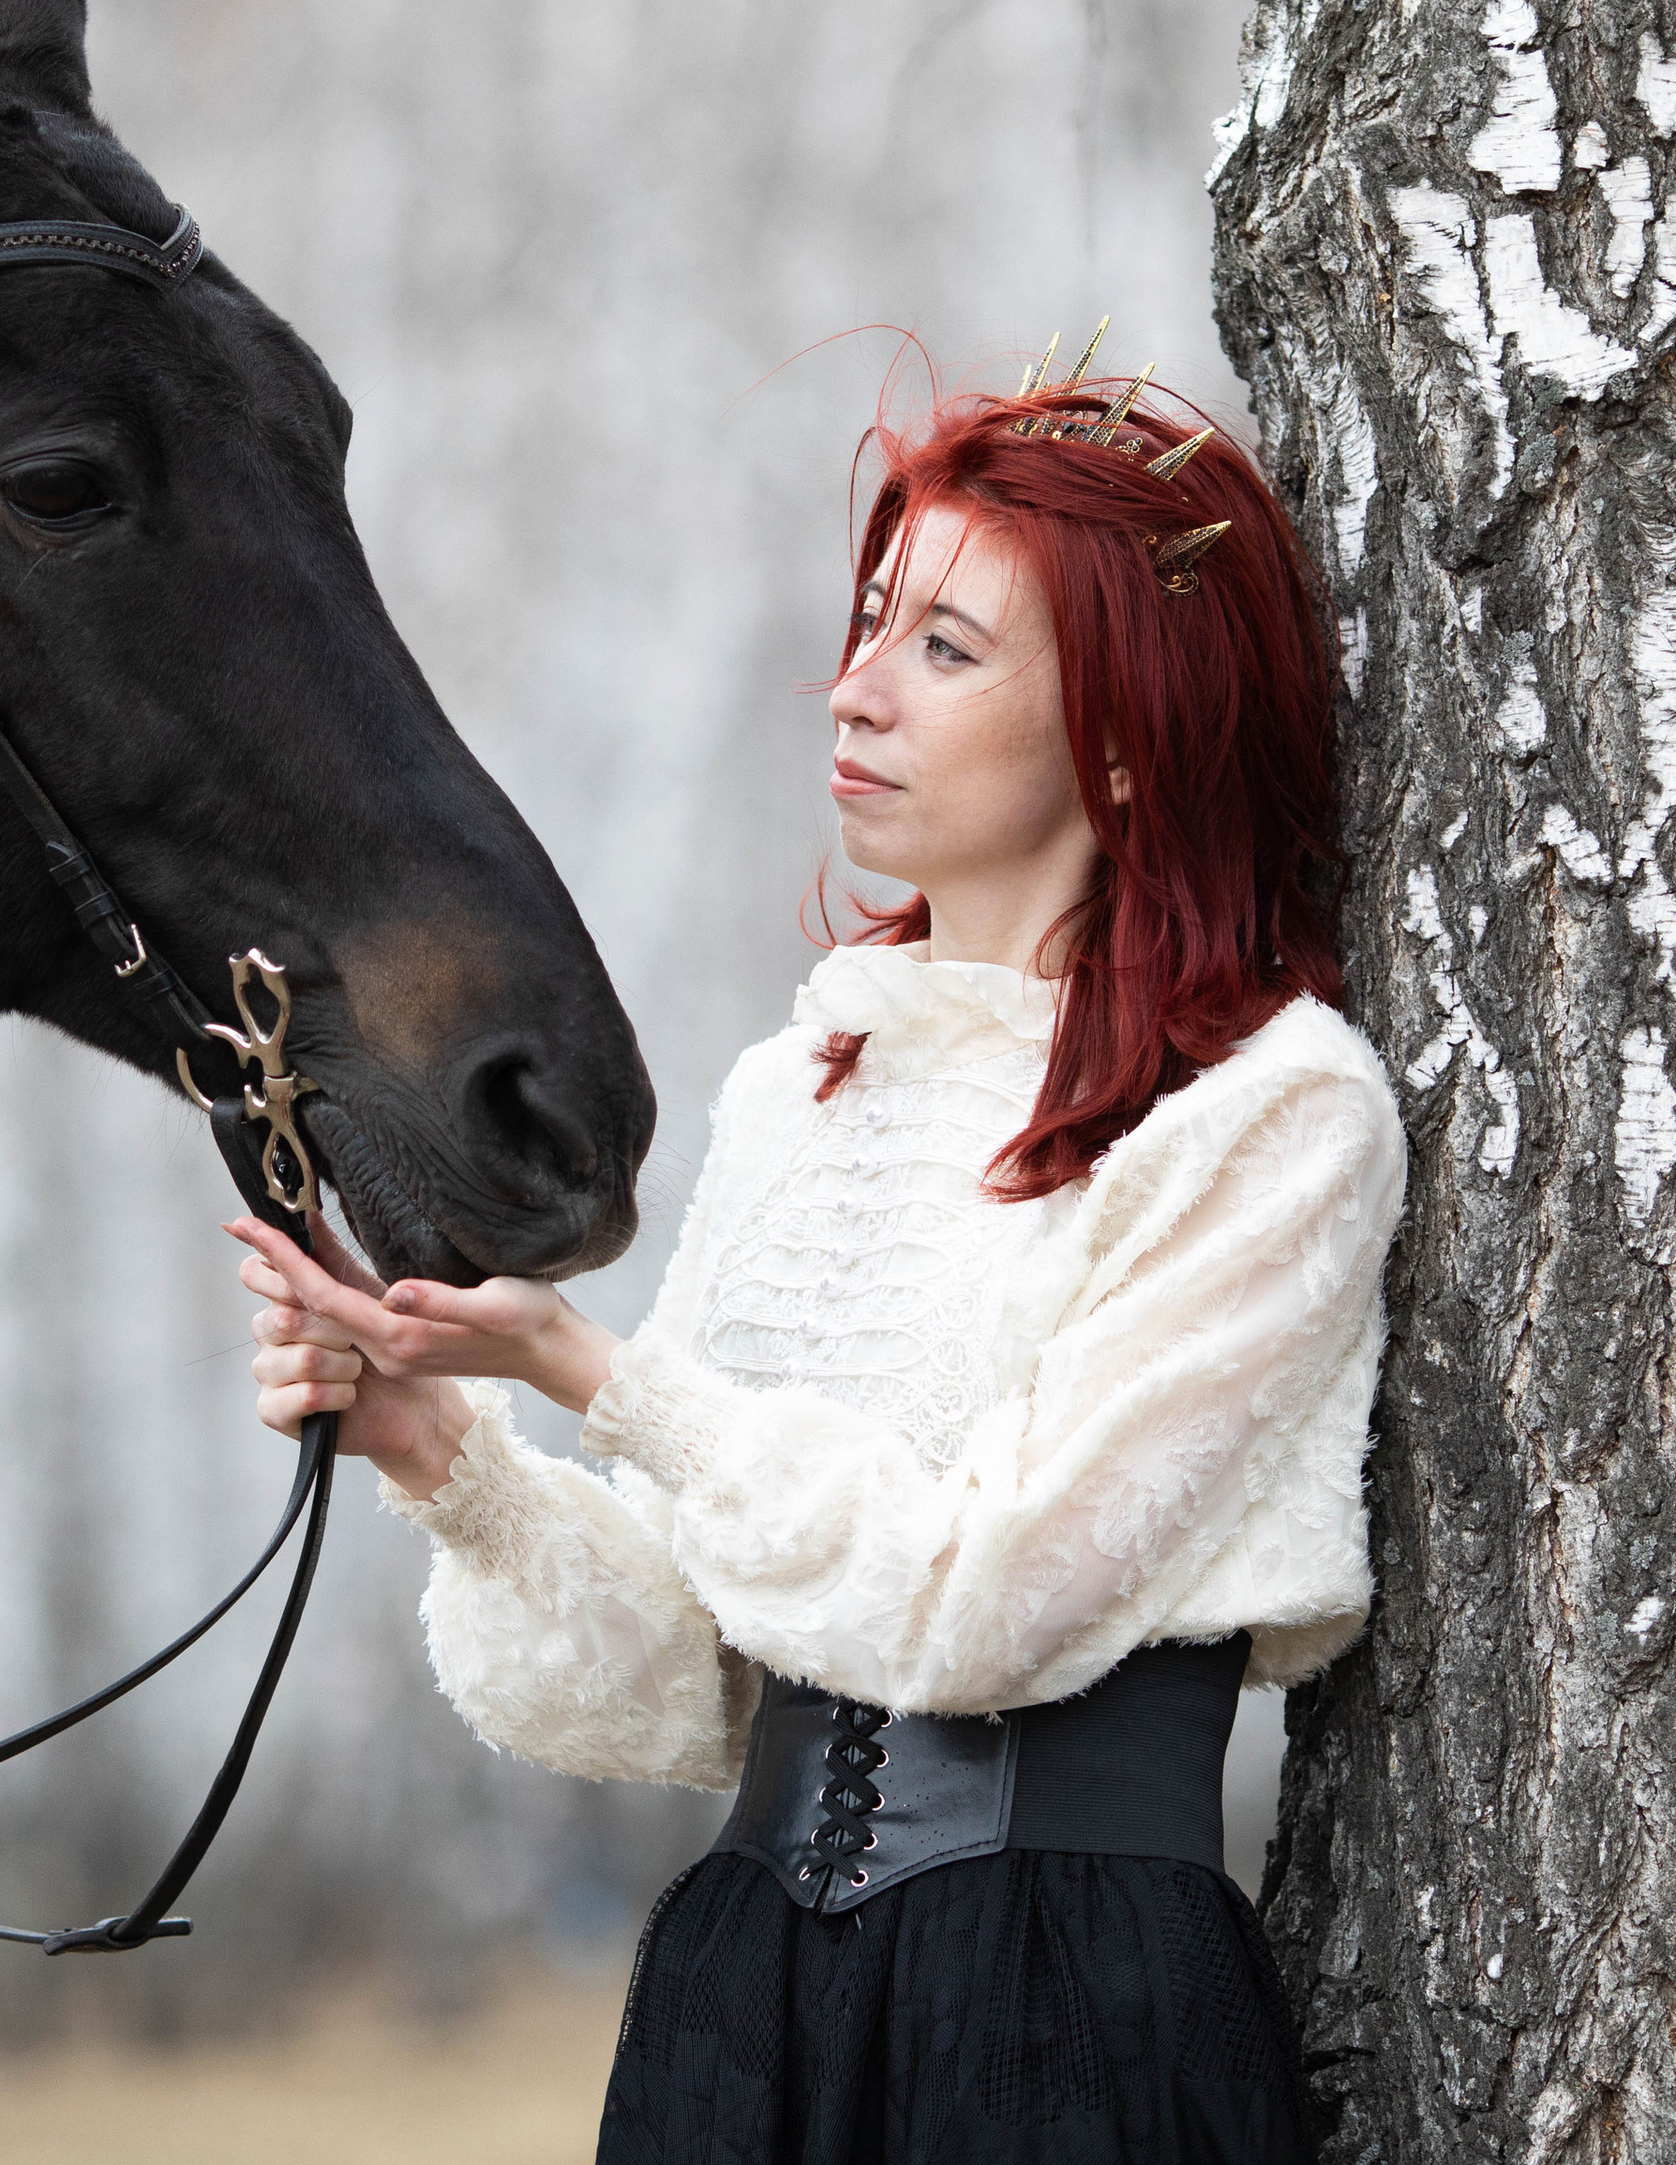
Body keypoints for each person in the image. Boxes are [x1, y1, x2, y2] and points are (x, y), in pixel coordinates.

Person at [231, 349, 1407, 2165]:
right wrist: (437, 1451)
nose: (854, 691)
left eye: (946, 647)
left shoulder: (1271, 1116)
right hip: (749, 2008)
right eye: (870, 625)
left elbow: (990, 1602)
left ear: (1125, 725)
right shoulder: (802, 1089)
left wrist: (597, 1375)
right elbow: (693, 1687)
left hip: (1070, 2018)